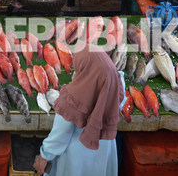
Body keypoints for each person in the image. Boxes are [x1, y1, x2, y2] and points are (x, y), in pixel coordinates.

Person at [33, 45, 124, 176]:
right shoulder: (115, 86)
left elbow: (60, 135)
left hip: (76, 160)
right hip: (103, 155)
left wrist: (44, 156)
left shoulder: (72, 98)